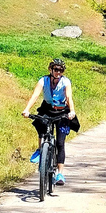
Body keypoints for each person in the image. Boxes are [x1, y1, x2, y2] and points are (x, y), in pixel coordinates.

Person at [22, 58, 76, 186]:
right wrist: (27, 109)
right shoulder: (43, 80)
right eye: (56, 69)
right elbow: (35, 95)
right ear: (50, 69)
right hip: (47, 109)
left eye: (61, 70)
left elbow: (68, 97)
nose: (58, 72)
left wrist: (72, 111)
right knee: (41, 125)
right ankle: (41, 149)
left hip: (62, 111)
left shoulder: (65, 81)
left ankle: (60, 174)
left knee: (60, 143)